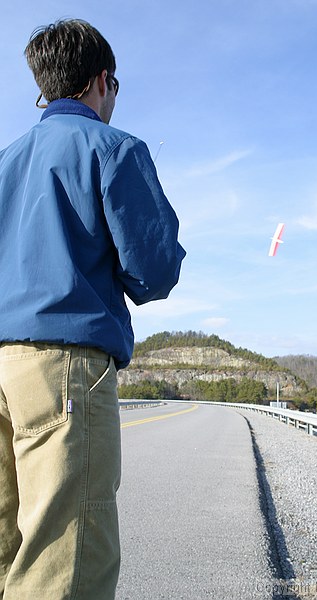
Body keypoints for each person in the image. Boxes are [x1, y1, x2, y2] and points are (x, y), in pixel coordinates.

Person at [0, 18, 185, 600]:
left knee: (7, 544)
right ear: (102, 81)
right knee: (67, 552)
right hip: (64, 369)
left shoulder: (6, 160)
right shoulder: (113, 148)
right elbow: (153, 273)